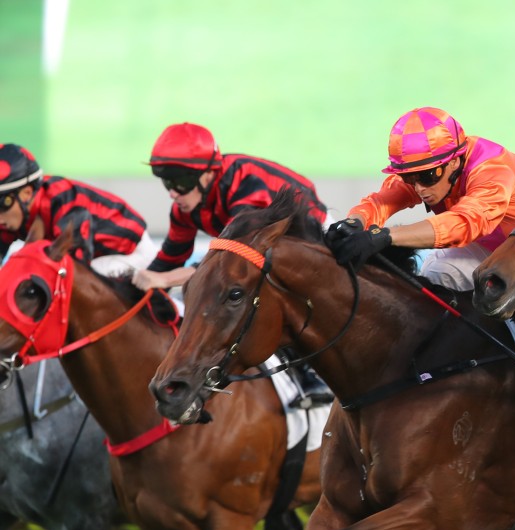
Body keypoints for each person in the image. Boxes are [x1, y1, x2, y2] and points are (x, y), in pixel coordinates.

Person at [325, 106, 515, 419]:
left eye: (427, 177)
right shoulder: (430, 167)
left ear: (456, 160)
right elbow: (380, 202)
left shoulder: (492, 170)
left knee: (509, 281)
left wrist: (384, 237)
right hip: (499, 245)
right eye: (410, 177)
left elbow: (465, 223)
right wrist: (355, 223)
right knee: (438, 273)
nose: (419, 188)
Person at [140, 122, 332, 406]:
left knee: (251, 295)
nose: (173, 193)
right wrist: (143, 284)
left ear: (208, 174)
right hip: (259, 248)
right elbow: (170, 255)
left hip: (313, 235)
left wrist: (166, 281)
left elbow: (228, 270)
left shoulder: (244, 187)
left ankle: (310, 375)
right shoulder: (186, 207)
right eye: (167, 183)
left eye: (180, 182)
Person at [0, 143, 155, 273]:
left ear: (26, 193)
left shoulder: (62, 199)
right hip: (93, 258)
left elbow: (74, 270)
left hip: (130, 254)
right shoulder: (11, 215)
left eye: (1, 204)